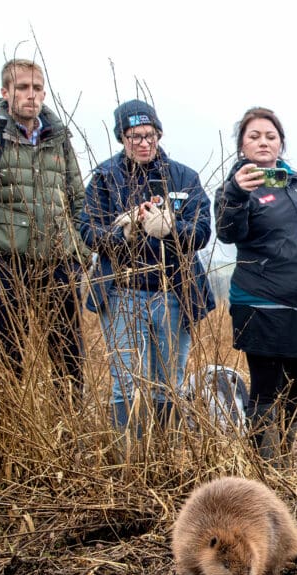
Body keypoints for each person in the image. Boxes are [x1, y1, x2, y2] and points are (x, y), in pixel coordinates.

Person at [215, 107, 297, 462]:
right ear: (242, 146)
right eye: (254, 136)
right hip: (259, 301)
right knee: (265, 386)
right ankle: (264, 463)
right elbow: (229, 234)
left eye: (270, 136)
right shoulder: (236, 187)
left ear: (281, 143)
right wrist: (236, 194)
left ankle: (285, 453)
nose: (263, 142)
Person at [78, 100, 214, 437]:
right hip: (122, 292)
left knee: (168, 381)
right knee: (125, 381)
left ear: (159, 134)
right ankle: (130, 455)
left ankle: (165, 453)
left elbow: (201, 232)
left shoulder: (184, 177)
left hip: (172, 292)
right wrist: (119, 233)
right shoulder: (105, 178)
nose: (143, 143)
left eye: (149, 135)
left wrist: (171, 230)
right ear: (121, 138)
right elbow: (88, 230)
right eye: (134, 136)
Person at [0, 58, 90, 396]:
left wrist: (79, 252)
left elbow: (76, 198)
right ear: (6, 92)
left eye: (38, 88)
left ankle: (67, 439)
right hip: (5, 264)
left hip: (58, 264)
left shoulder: (58, 137)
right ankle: (10, 435)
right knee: (7, 358)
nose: (32, 95)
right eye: (23, 88)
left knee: (69, 360)